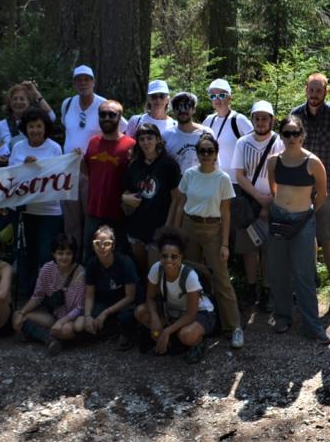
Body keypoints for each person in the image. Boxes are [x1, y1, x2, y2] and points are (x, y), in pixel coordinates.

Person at [290, 73, 330, 317]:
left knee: (328, 237)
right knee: (303, 236)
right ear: (306, 89)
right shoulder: (296, 116)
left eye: (319, 90)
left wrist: (325, 172)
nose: (315, 95)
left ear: (326, 91)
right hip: (301, 186)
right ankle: (306, 285)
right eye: (311, 90)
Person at [172, 134, 244, 349]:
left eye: (209, 151)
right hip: (189, 227)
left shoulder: (222, 178)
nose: (205, 155)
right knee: (191, 276)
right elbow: (180, 203)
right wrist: (175, 234)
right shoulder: (189, 175)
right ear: (197, 152)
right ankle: (196, 322)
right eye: (202, 151)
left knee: (221, 278)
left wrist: (224, 244)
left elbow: (226, 213)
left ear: (216, 153)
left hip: (212, 229)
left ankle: (235, 327)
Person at [265, 115, 330, 344]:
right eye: (286, 133)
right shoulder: (273, 161)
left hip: (303, 221)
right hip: (278, 219)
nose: (291, 138)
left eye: (295, 133)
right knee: (278, 271)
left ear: (302, 135)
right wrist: (282, 207)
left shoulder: (313, 163)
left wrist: (307, 211)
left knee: (304, 274)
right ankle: (282, 317)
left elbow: (322, 194)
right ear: (281, 135)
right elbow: (273, 189)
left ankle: (312, 325)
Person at [57, 65, 126, 245]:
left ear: (94, 82)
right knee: (71, 221)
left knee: (91, 218)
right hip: (68, 171)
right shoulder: (68, 104)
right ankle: (72, 260)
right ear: (74, 83)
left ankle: (91, 259)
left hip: (92, 171)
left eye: (87, 79)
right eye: (79, 79)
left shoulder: (104, 105)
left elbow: (123, 129)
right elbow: (67, 129)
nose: (83, 83)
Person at [134, 227, 217, 363]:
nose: (169, 260)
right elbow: (150, 298)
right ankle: (171, 340)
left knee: (186, 335)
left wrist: (166, 331)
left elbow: (191, 313)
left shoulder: (189, 276)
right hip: (173, 312)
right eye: (164, 256)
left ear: (181, 257)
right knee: (140, 312)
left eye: (174, 256)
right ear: (160, 255)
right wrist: (155, 318)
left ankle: (198, 343)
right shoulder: (156, 269)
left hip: (200, 313)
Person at [230, 100, 283, 311]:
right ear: (252, 119)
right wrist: (259, 198)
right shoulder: (243, 142)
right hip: (249, 204)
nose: (260, 122)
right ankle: (252, 288)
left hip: (273, 202)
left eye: (265, 118)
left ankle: (267, 290)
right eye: (257, 118)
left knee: (269, 249)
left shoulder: (280, 141)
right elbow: (239, 175)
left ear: (272, 119)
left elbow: (282, 172)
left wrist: (269, 200)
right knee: (249, 249)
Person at [8, 107, 64, 297]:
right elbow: (9, 177)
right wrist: (24, 166)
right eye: (31, 126)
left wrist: (37, 167)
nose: (35, 131)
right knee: (24, 255)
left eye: (39, 126)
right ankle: (26, 294)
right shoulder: (17, 148)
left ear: (45, 127)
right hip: (24, 212)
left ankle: (48, 295)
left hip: (49, 212)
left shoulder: (55, 148)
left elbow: (59, 176)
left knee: (46, 255)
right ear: (25, 128)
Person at [121, 122, 181, 277]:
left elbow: (177, 198)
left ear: (158, 140)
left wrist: (169, 226)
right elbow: (126, 191)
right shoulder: (133, 165)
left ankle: (155, 299)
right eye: (142, 139)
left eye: (149, 138)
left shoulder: (169, 165)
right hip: (136, 225)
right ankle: (143, 299)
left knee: (156, 271)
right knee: (140, 269)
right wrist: (125, 197)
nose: (146, 142)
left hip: (159, 227)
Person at [13, 235, 85, 355]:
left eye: (68, 253)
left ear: (73, 255)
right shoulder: (47, 269)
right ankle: (50, 339)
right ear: (54, 254)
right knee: (17, 316)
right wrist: (22, 312)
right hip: (54, 316)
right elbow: (38, 296)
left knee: (66, 330)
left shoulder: (80, 273)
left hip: (72, 319)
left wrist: (62, 322)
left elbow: (79, 307)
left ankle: (40, 335)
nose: (64, 257)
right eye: (60, 253)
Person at [83, 100, 137, 257]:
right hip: (94, 211)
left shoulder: (130, 145)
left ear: (120, 117)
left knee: (119, 258)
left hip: (119, 214)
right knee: (90, 256)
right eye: (103, 114)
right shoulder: (93, 142)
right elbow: (87, 170)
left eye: (112, 114)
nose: (107, 118)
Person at [76, 225, 139, 348]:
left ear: (113, 245)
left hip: (124, 303)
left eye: (107, 243)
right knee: (86, 322)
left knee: (126, 317)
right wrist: (88, 316)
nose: (102, 247)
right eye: (98, 243)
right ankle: (110, 330)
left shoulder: (125, 262)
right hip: (105, 302)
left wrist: (106, 312)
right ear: (93, 246)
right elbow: (89, 295)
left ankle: (124, 333)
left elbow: (130, 297)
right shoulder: (92, 264)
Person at [0, 81, 54, 166]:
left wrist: (36, 94)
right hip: (13, 172)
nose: (18, 102)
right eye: (15, 99)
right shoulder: (1, 125)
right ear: (10, 102)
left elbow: (51, 116)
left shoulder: (36, 121)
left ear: (29, 102)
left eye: (22, 99)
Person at [202, 78, 253, 178]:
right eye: (213, 96)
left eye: (221, 95)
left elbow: (256, 143)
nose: (217, 99)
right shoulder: (208, 120)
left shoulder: (239, 120)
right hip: (212, 179)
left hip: (235, 181)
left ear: (230, 97)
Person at [162, 91, 206, 173]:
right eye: (178, 107)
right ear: (174, 111)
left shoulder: (206, 133)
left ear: (194, 110)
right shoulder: (166, 135)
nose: (182, 111)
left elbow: (215, 163)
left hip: (202, 183)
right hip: (176, 184)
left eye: (187, 106)